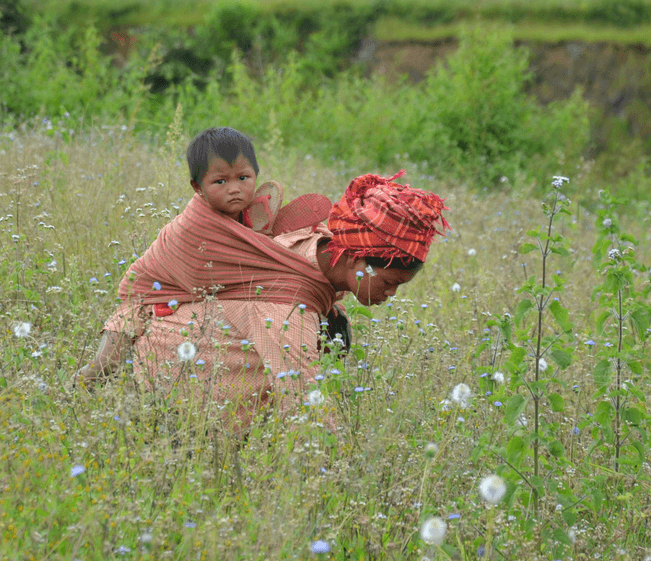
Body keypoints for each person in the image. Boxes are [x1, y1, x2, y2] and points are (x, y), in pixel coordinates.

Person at [74, 170, 448, 428]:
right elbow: (304, 404)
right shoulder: (286, 312)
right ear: (353, 257)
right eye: (390, 281)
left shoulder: (311, 241)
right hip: (167, 391)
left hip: (165, 343)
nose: (392, 293)